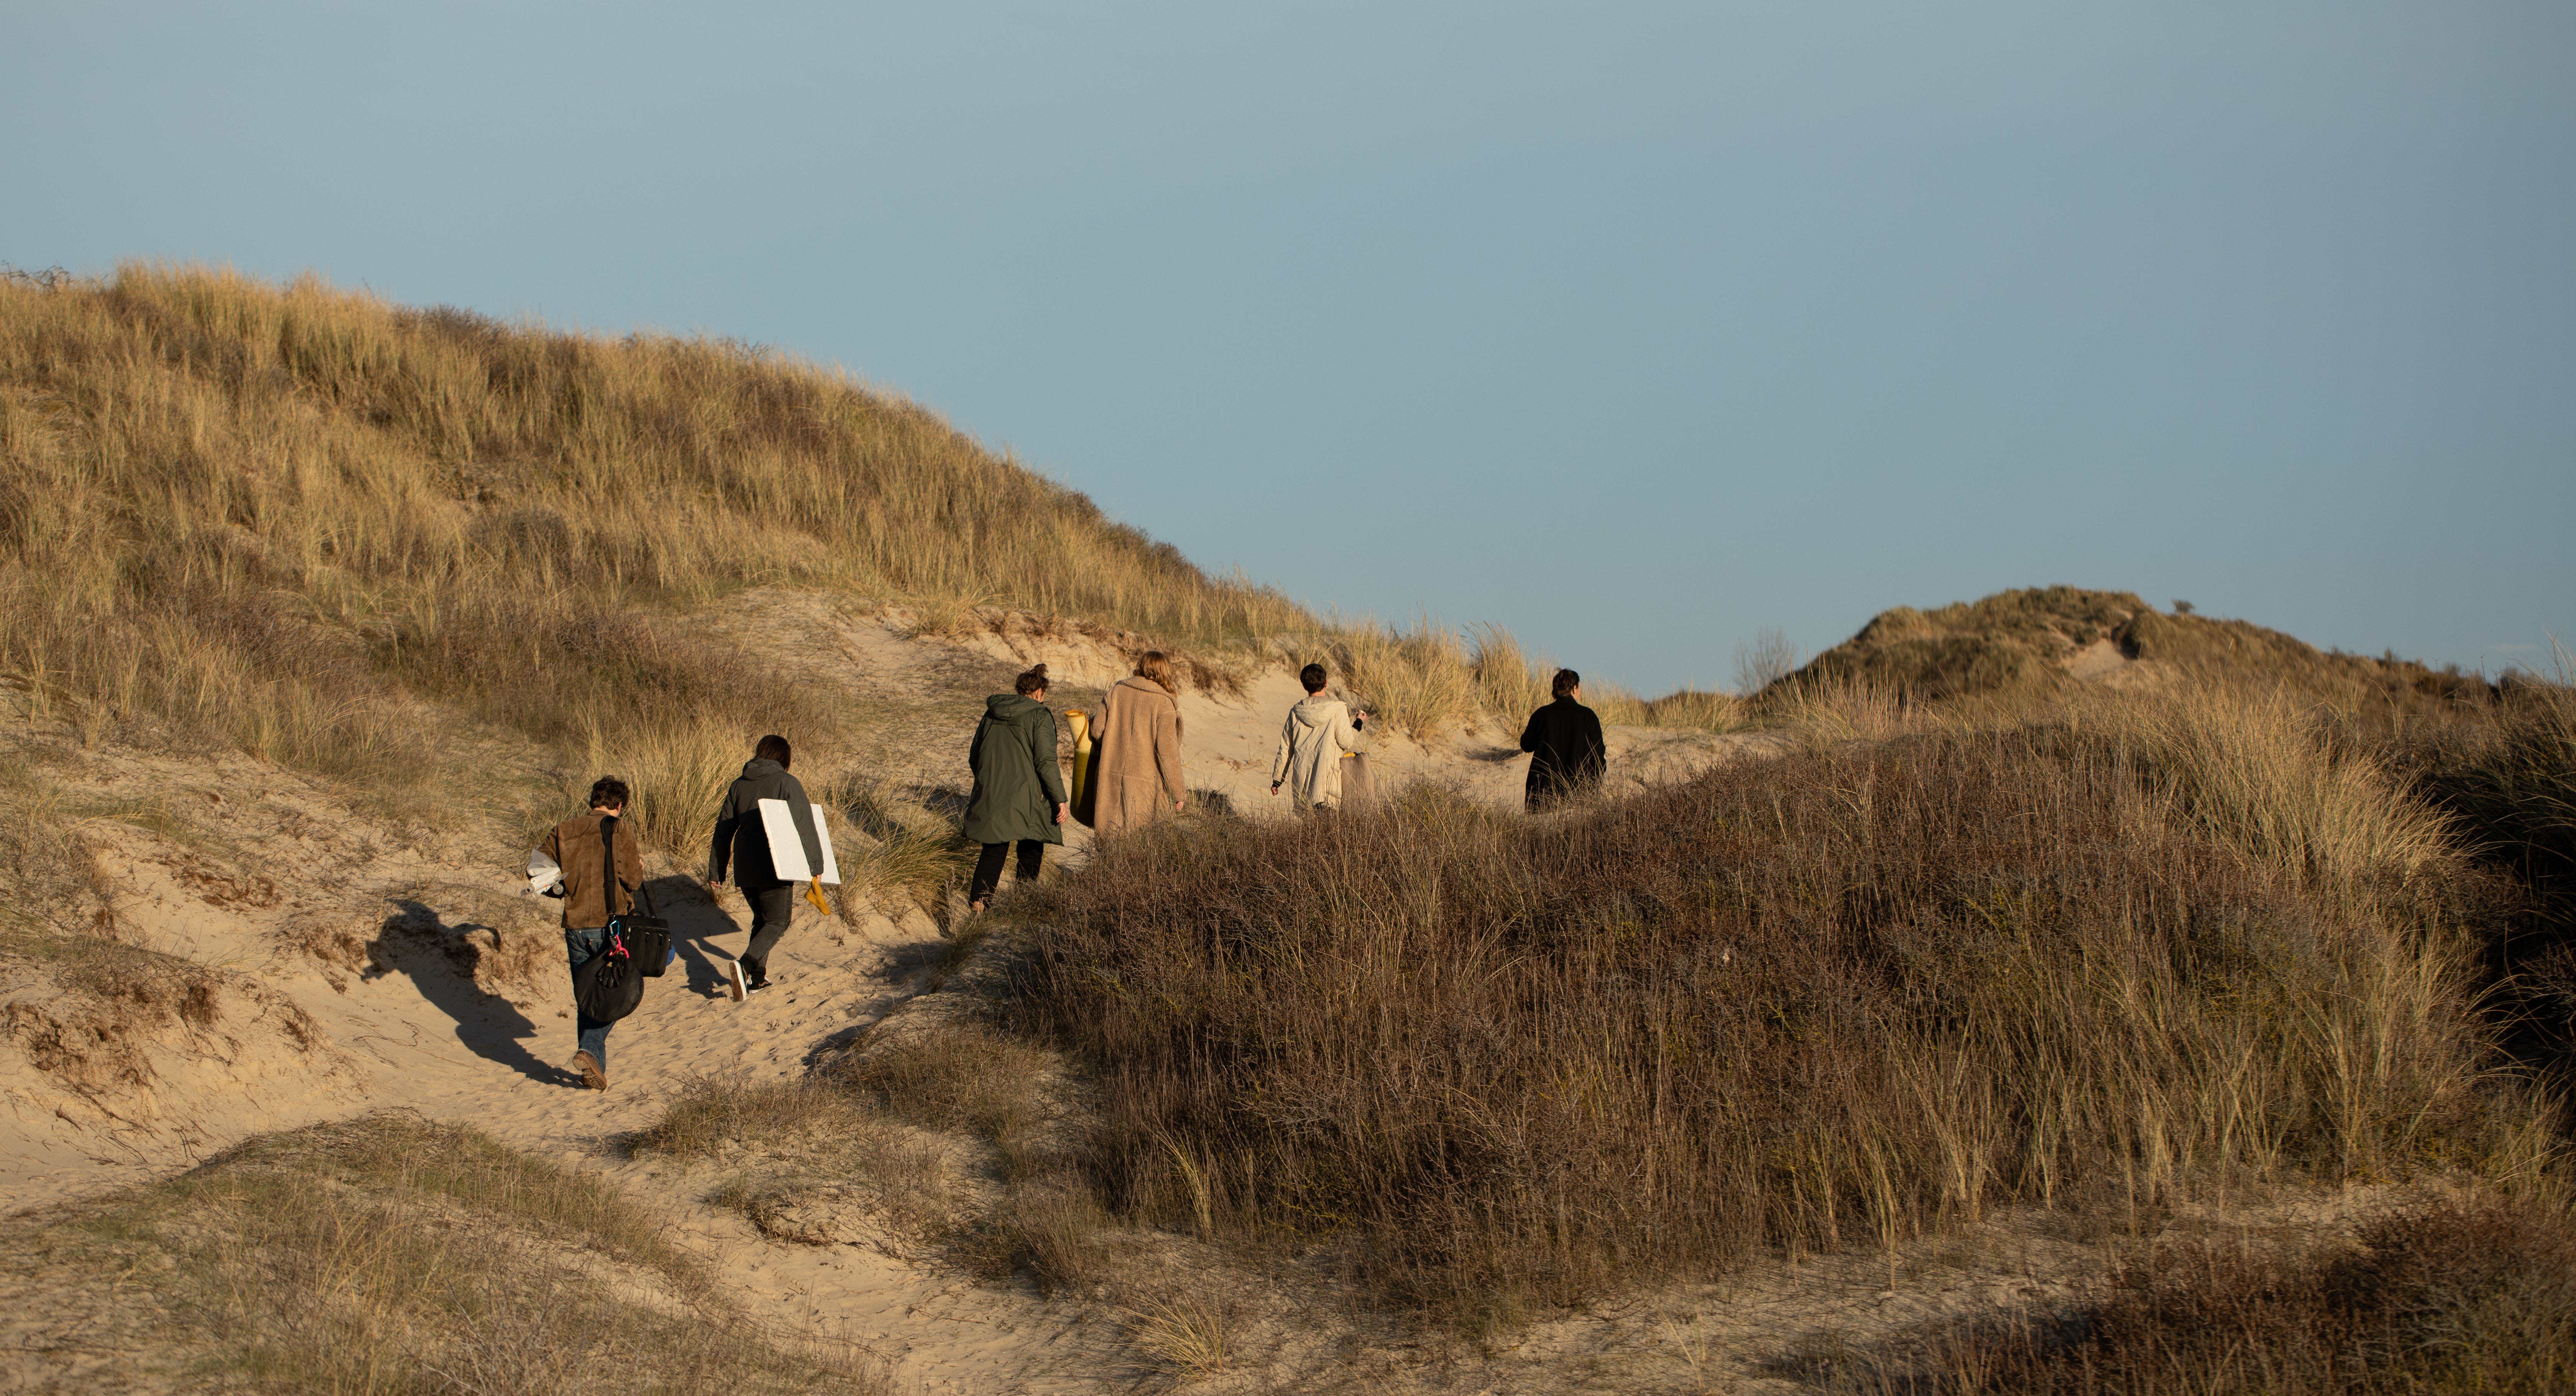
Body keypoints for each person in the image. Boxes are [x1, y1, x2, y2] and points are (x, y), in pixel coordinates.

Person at [706, 734, 826, 1001]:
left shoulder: (738, 786)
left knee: (762, 920)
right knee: (778, 921)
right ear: (784, 758)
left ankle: (757, 979)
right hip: (776, 863)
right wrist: (816, 864)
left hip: (745, 865)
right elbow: (804, 824)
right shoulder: (787, 782)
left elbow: (723, 829)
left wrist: (717, 869)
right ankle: (745, 966)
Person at [540, 776, 641, 1091]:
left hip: (574, 924)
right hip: (610, 925)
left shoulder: (564, 829)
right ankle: (589, 1050)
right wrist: (638, 864)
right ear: (620, 805)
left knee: (587, 995)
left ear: (592, 800)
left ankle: (592, 1068)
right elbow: (634, 880)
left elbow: (537, 871)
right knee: (617, 995)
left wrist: (562, 889)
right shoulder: (620, 828)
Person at [963, 664, 1068, 913]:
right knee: (1031, 850)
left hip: (993, 793)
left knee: (993, 850)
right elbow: (1045, 761)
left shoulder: (991, 713)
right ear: (1040, 692)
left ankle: (979, 905)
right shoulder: (1040, 715)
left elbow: (974, 756)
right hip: (1029, 796)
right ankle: (1021, 908)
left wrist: (989, 781)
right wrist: (1060, 798)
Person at [1083, 650, 1186, 834]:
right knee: (1139, 847)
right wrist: (1178, 792)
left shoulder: (1116, 691)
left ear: (1141, 666)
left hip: (1109, 776)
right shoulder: (1164, 704)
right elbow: (1168, 754)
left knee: (1109, 841)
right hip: (1145, 786)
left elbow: (1097, 730)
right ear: (1165, 672)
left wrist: (1114, 742)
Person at [1270, 662, 1368, 811]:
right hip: (1328, 784)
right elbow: (1346, 742)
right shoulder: (1338, 708)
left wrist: (1277, 780)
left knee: (1309, 832)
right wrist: (1359, 723)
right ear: (1326, 683)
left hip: (1302, 781)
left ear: (1304, 686)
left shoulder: (1296, 712)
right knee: (1329, 831)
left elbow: (1286, 749)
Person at [1520, 667, 1607, 811]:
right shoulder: (1588, 716)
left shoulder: (1541, 715)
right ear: (1574, 689)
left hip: (1542, 795)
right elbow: (1599, 759)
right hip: (1579, 797)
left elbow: (1526, 745)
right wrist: (1593, 786)